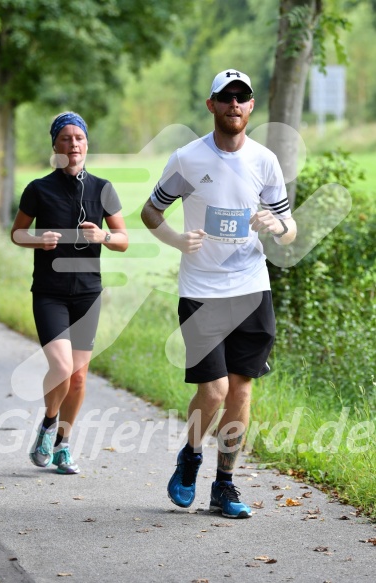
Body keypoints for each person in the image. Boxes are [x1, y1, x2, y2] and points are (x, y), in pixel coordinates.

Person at [141, 69, 296, 518]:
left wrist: (279, 225)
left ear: (251, 107)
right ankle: (189, 459)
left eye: (241, 98)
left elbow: (289, 232)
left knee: (241, 393)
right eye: (225, 98)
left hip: (251, 288)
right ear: (211, 105)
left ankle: (224, 486)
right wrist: (175, 239)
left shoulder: (265, 161)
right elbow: (151, 210)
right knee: (213, 391)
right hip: (201, 289)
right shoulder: (188, 159)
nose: (234, 105)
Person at [11, 111, 128, 474]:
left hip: (88, 293)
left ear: (87, 144)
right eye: (65, 138)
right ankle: (48, 422)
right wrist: (36, 240)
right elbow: (16, 233)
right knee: (61, 367)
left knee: (78, 377)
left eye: (78, 137)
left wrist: (103, 237)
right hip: (49, 292)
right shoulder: (38, 189)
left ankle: (62, 443)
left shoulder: (103, 189)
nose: (73, 144)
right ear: (55, 145)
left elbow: (123, 240)